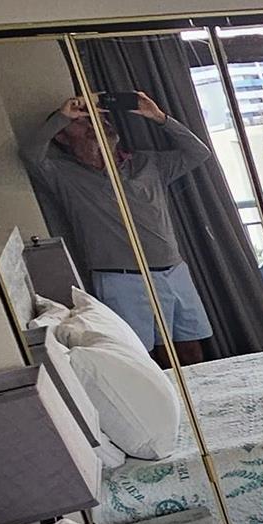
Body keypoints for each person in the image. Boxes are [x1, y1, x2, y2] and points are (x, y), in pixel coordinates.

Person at [20, 91, 216, 362]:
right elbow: (29, 154)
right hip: (122, 280)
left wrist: (158, 117)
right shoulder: (63, 176)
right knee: (140, 354)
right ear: (61, 136)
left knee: (190, 346)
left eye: (99, 119)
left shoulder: (149, 164)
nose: (95, 125)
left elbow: (199, 153)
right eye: (83, 121)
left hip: (173, 272)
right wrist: (63, 116)